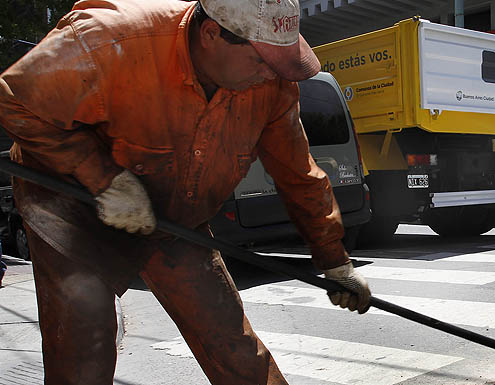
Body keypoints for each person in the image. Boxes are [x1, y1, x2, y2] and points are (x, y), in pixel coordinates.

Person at [0, 0, 371, 383]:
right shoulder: (108, 38)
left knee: (229, 340)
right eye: (261, 61)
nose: (270, 74)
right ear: (211, 34)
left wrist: (334, 261)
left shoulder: (272, 85)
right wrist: (103, 179)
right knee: (84, 344)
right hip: (71, 204)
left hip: (171, 214)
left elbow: (298, 173)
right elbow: (15, 99)